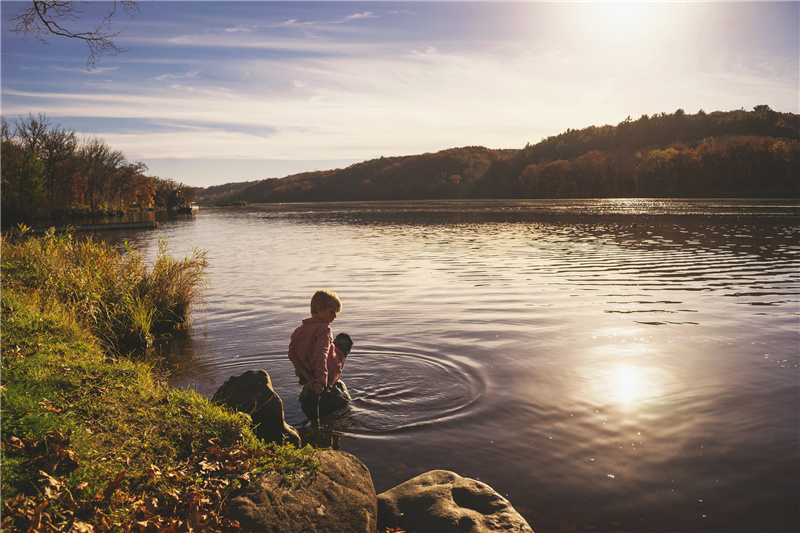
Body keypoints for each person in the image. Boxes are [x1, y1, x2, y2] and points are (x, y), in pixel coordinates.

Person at [287, 290, 352, 423]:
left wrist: (308, 378)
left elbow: (292, 355)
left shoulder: (298, 331)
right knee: (344, 340)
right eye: (332, 312)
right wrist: (322, 382)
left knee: (326, 346)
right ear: (320, 309)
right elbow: (320, 355)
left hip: (309, 374)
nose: (335, 317)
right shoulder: (325, 329)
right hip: (329, 374)